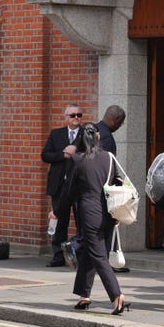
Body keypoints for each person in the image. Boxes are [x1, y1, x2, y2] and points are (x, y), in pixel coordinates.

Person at [48, 122, 128, 315]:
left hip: (89, 212)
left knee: (98, 256)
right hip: (109, 212)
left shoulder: (77, 159)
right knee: (88, 253)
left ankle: (117, 296)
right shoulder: (109, 157)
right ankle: (84, 295)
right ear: (98, 137)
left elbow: (68, 191)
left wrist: (57, 211)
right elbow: (119, 182)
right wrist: (118, 213)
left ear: (81, 139)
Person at [41, 104, 83, 267]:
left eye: (79, 115)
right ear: (66, 117)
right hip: (59, 186)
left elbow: (92, 154)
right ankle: (58, 256)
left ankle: (80, 255)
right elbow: (45, 155)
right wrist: (63, 155)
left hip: (79, 187)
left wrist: (76, 153)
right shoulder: (56, 134)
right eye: (73, 115)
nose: (76, 118)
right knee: (59, 222)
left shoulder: (86, 134)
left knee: (81, 221)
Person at [96, 105, 130, 273]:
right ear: (115, 120)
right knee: (107, 227)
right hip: (103, 191)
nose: (120, 126)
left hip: (88, 189)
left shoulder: (93, 130)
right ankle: (108, 263)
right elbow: (109, 168)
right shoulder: (107, 138)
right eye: (121, 123)